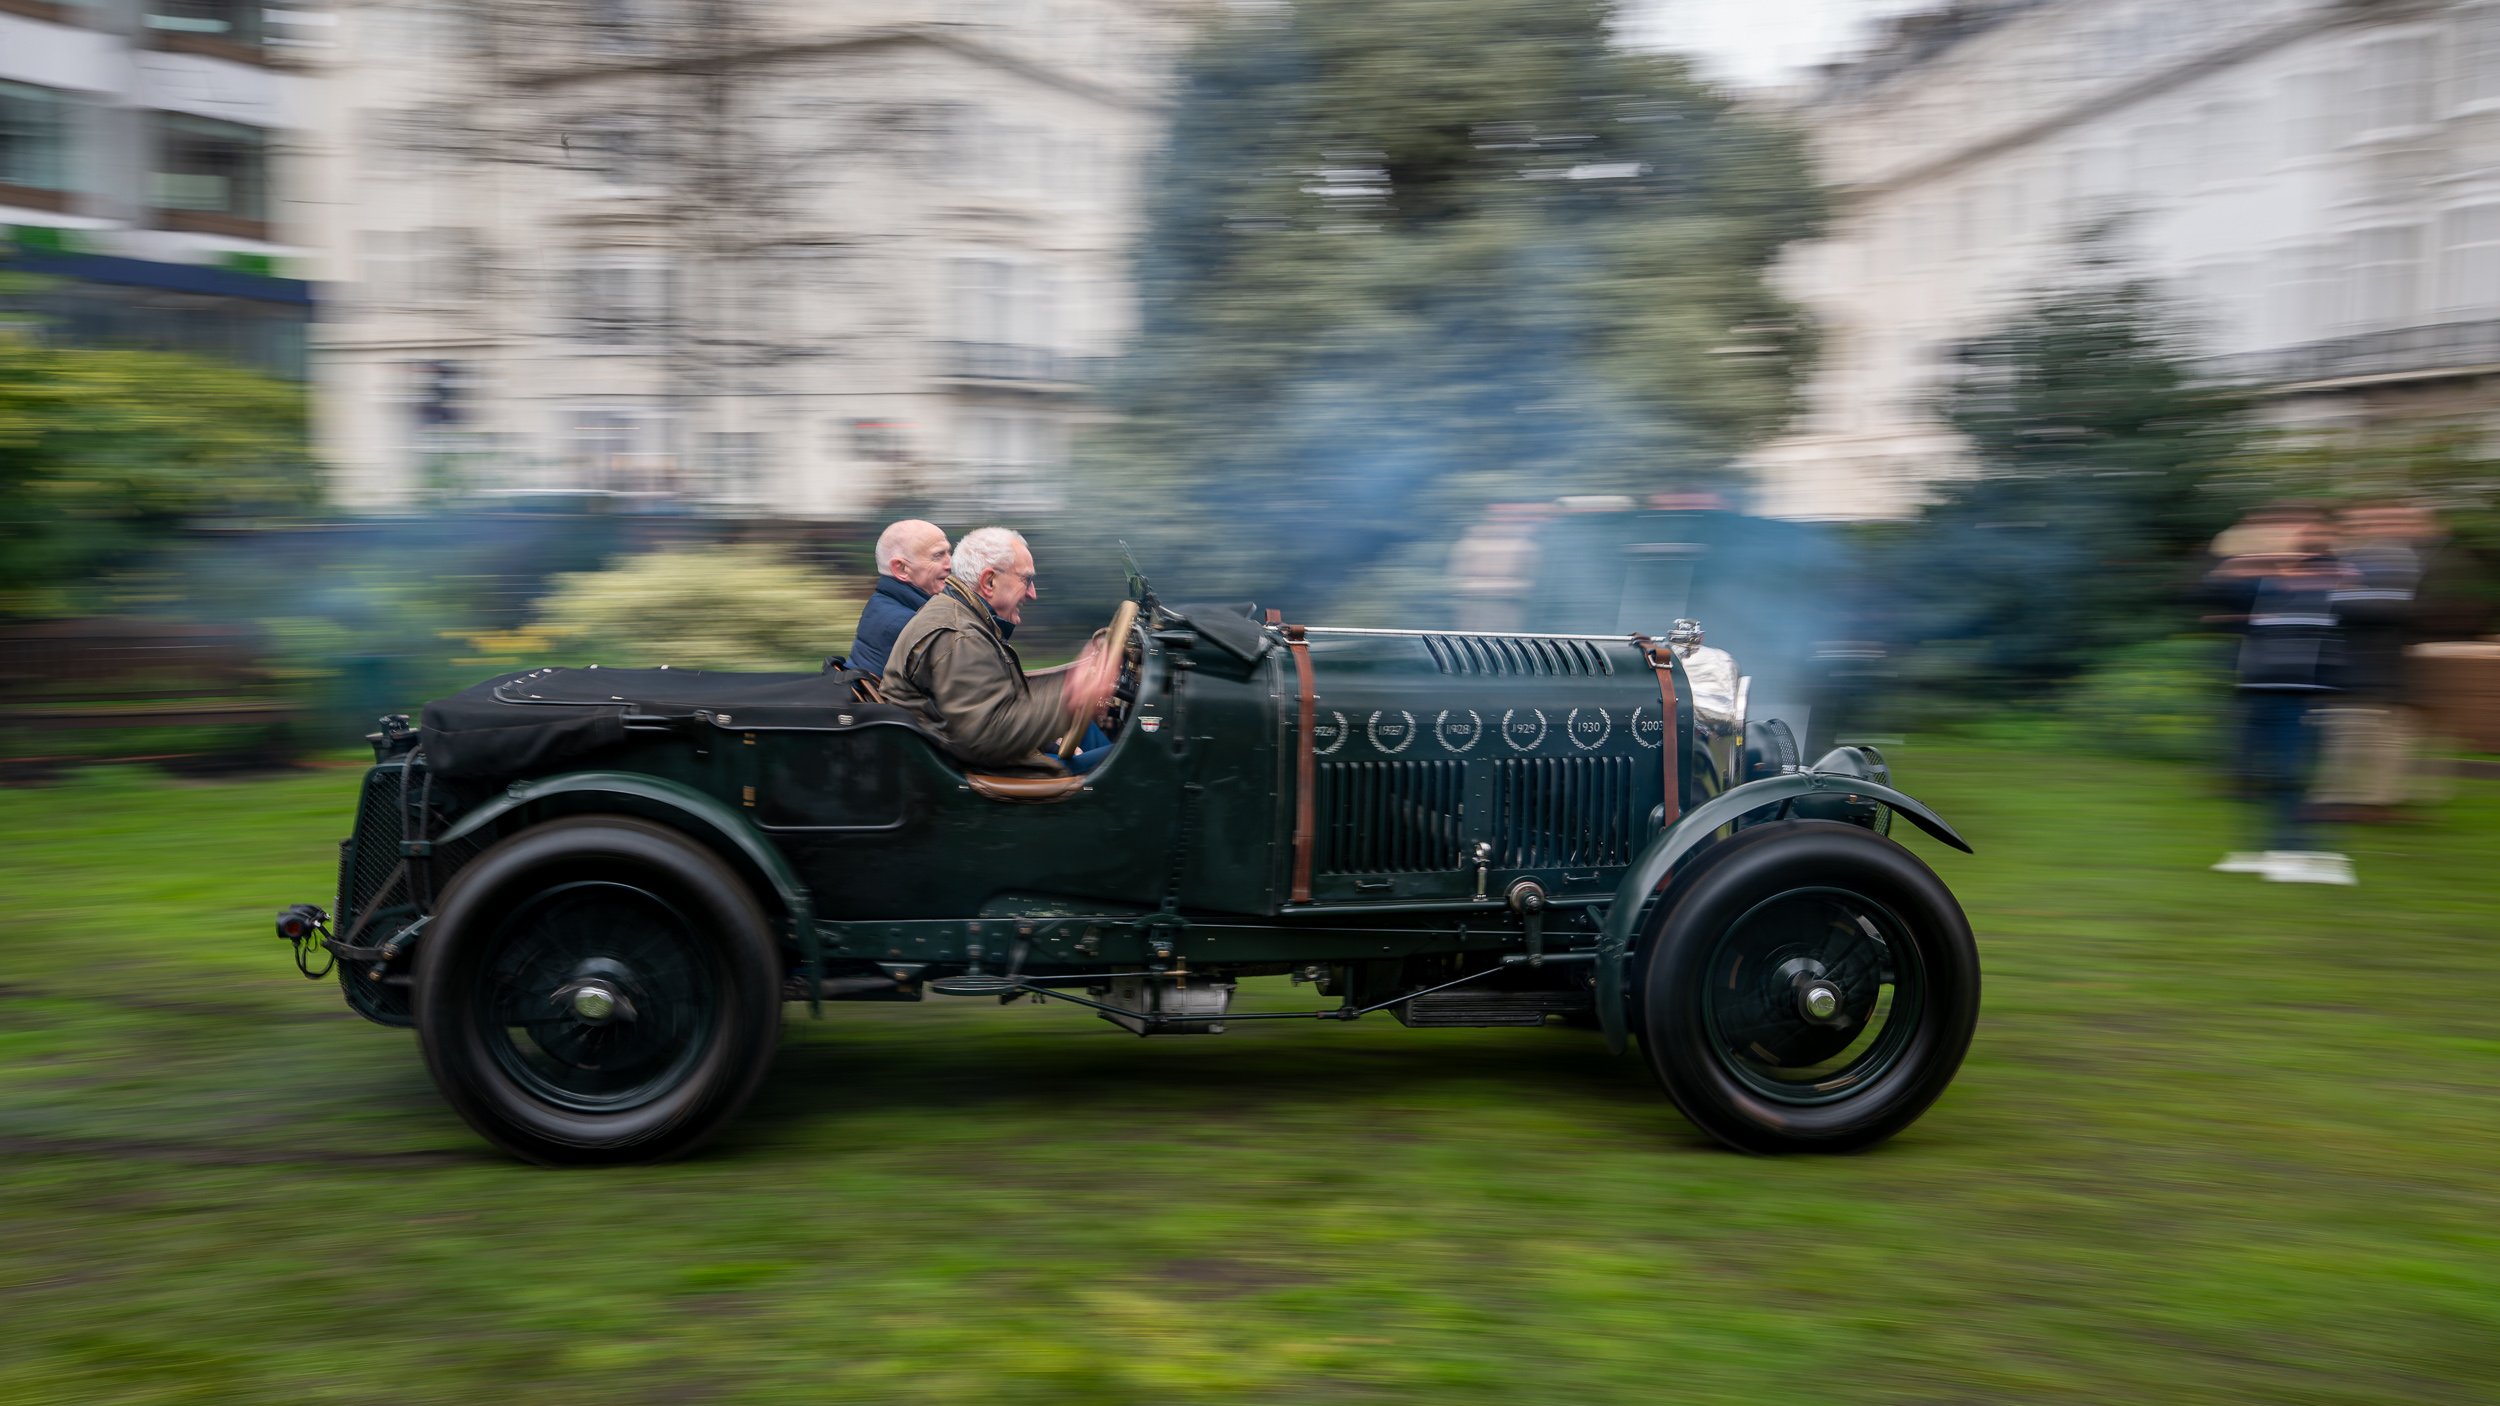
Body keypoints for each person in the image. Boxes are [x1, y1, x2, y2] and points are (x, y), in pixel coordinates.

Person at [879, 526, 1119, 774]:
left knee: (1094, 735)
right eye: (1026, 580)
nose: (1033, 594)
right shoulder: (960, 636)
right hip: (984, 776)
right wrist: (1070, 697)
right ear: (989, 581)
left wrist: (1050, 733)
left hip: (976, 759)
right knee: (1129, 761)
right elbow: (986, 738)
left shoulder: (965, 617)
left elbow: (994, 708)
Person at [2207, 516, 2356, 884]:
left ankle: (2295, 845)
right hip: (2257, 691)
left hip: (2302, 696)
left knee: (2291, 773)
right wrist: (2261, 558)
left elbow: (2357, 589)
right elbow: (2213, 585)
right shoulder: (2262, 590)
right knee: (2258, 775)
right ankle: (2278, 844)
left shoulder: (2332, 593)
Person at [847, 519, 952, 678]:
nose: (950, 564)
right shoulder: (913, 625)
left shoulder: (881, 603)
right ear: (901, 569)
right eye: (938, 556)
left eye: (949, 553)